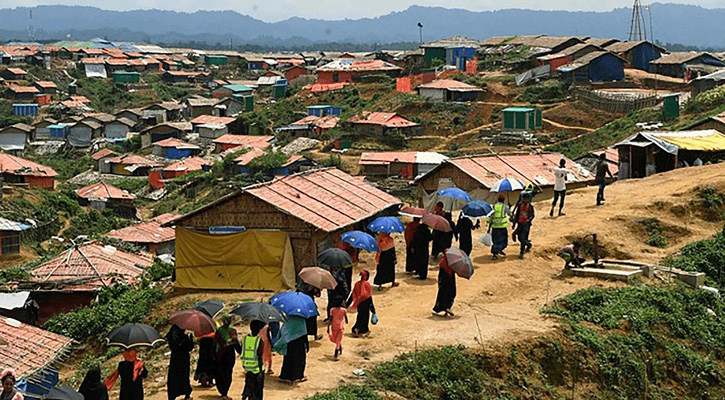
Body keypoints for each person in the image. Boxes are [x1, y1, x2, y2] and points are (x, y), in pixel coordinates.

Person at [274, 316, 309, 385]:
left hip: (290, 344)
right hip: (299, 344)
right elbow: (304, 333)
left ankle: (284, 376)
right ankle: (297, 377)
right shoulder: (302, 320)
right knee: (299, 360)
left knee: (288, 360)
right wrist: (307, 344)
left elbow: (283, 331)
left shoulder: (288, 319)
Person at [214, 315, 241, 400]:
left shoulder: (219, 330)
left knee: (221, 373)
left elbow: (215, 341)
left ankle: (222, 391)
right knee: (227, 373)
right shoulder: (232, 330)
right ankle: (224, 392)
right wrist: (241, 352)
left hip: (220, 354)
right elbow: (236, 342)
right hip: (228, 354)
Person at [166, 325, 194, 400]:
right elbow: (189, 348)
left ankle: (173, 396)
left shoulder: (171, 337)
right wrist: (188, 338)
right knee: (184, 376)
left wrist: (189, 338)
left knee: (175, 378)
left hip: (175, 360)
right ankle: (186, 393)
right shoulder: (183, 337)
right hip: (183, 359)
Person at [240, 321, 265, 400]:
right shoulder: (259, 341)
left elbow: (242, 350)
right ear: (259, 330)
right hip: (256, 368)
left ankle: (246, 394)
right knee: (257, 390)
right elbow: (259, 356)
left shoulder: (244, 339)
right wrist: (261, 370)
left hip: (247, 367)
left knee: (249, 384)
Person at [349, 270, 376, 337]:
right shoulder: (367, 284)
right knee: (364, 317)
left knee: (360, 316)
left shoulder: (357, 284)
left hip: (359, 304)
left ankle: (362, 329)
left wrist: (347, 303)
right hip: (365, 303)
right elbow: (368, 296)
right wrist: (372, 308)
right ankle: (357, 329)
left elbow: (353, 294)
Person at [432, 250, 456, 317]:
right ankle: (447, 307)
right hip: (448, 281)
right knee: (449, 294)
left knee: (444, 294)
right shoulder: (450, 262)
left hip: (445, 281)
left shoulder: (443, 262)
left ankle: (445, 308)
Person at [488, 194, 512, 260]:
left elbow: (491, 217)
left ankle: (495, 253)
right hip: (502, 227)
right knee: (504, 240)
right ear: (504, 200)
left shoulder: (494, 207)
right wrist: (510, 208)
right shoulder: (504, 207)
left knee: (495, 241)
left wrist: (489, 226)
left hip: (495, 227)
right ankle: (499, 249)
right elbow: (510, 214)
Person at [512, 192, 535, 259]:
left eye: (526, 199)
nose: (525, 200)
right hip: (520, 224)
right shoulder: (520, 205)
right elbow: (517, 215)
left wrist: (528, 220)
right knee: (519, 237)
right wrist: (514, 223)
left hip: (526, 225)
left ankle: (521, 252)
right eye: (524, 199)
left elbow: (532, 215)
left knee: (522, 238)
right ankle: (528, 244)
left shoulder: (530, 207)